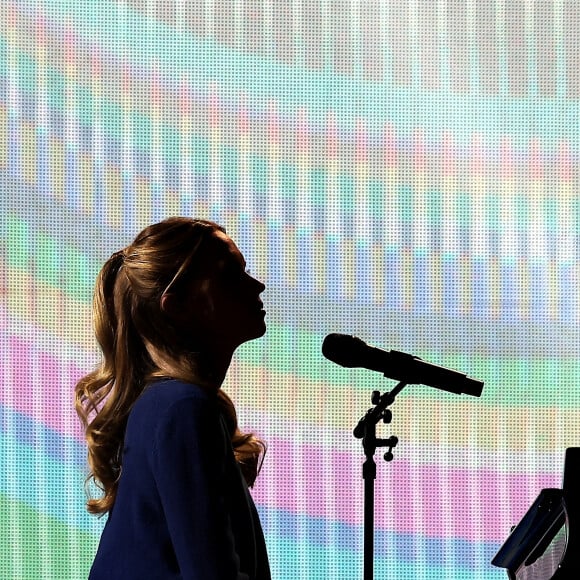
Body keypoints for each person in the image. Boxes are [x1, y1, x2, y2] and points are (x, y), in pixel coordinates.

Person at [75, 217, 271, 579]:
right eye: (231, 274)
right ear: (177, 305)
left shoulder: (170, 404)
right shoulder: (182, 409)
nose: (258, 285)